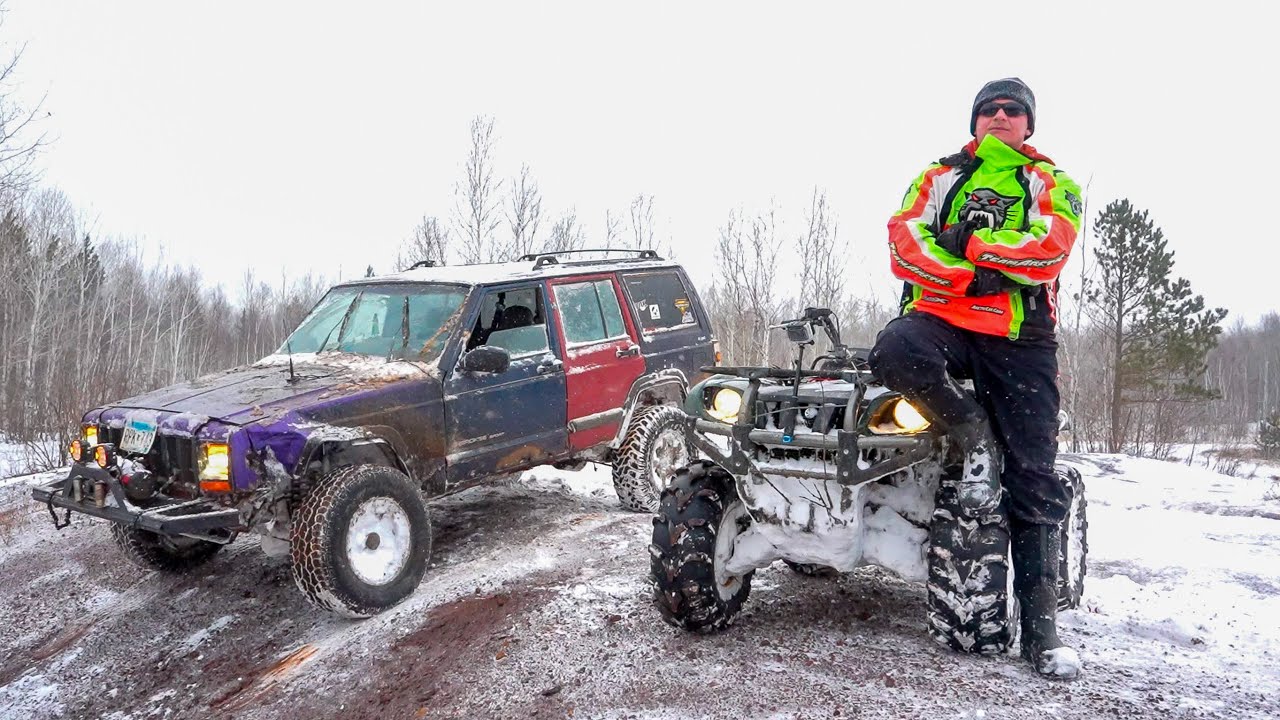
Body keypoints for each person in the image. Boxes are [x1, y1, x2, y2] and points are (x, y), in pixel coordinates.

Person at [868, 77, 1084, 679]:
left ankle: (1042, 633)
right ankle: (973, 436)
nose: (999, 116)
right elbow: (905, 241)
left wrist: (973, 244)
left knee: (1034, 473)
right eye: (988, 109)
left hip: (1020, 337)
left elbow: (1049, 248)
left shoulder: (1051, 181)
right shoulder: (938, 176)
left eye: (1012, 110)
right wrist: (970, 277)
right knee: (892, 347)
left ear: (1028, 124)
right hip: (944, 320)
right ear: (974, 120)